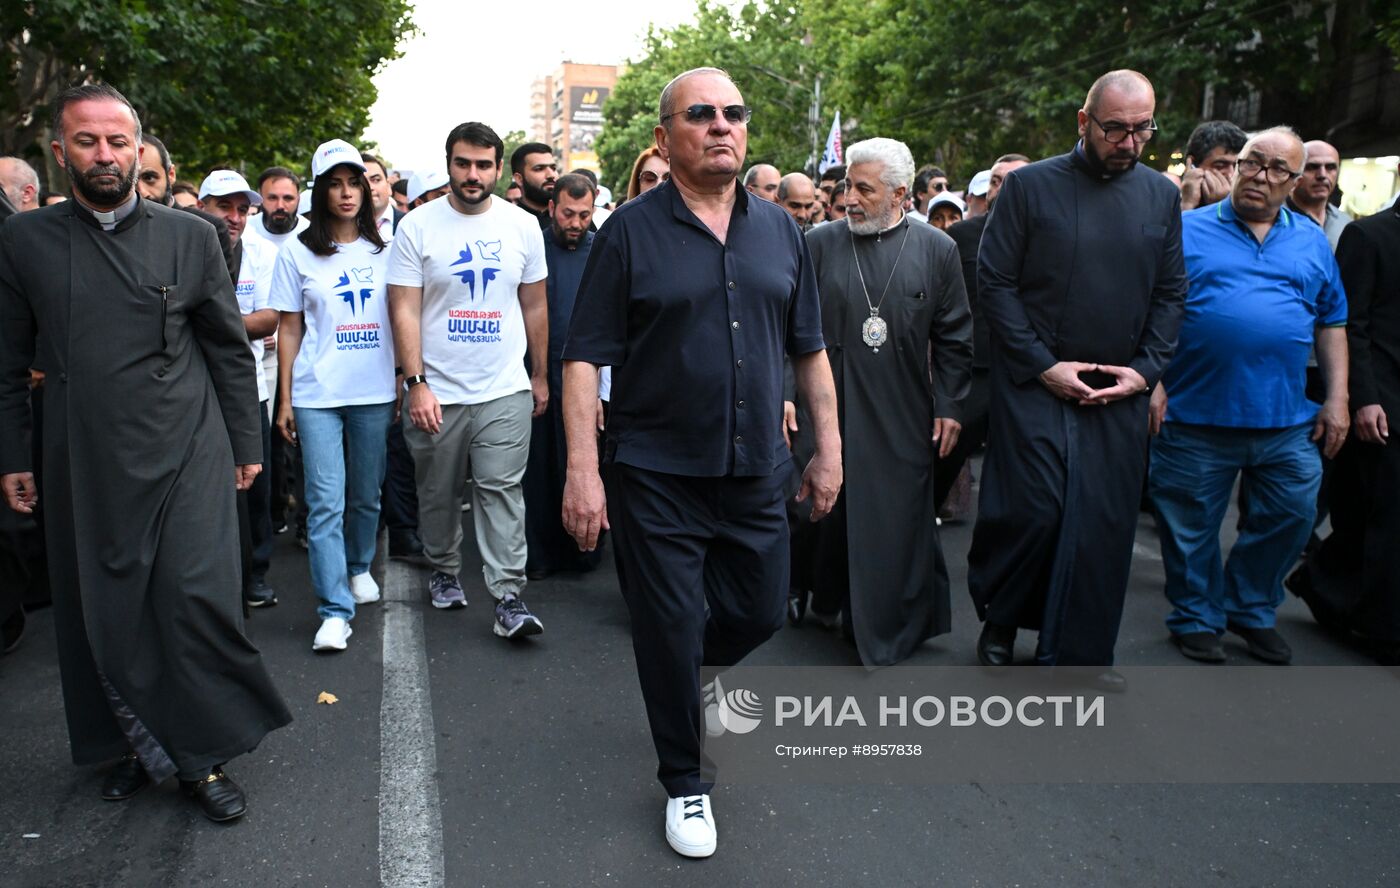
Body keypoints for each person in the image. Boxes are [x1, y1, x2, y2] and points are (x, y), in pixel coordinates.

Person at [560, 67, 842, 859]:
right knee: (670, 624)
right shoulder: (628, 233)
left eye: (734, 114)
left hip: (759, 470)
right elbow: (583, 358)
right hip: (655, 473)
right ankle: (685, 780)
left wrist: (829, 453)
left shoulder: (781, 231)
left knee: (756, 613)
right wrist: (583, 469)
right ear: (664, 137)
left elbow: (810, 350)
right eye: (701, 114)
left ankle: (680, 668)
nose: (722, 126)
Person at [0, 82, 290, 822]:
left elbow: (228, 350)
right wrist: (14, 455)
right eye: (88, 141)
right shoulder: (24, 240)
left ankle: (201, 760)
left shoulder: (192, 236)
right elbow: (4, 365)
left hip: (188, 446)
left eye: (118, 141)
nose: (105, 154)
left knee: (194, 603)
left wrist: (243, 442)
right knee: (104, 610)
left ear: (140, 148)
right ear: (60, 151)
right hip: (82, 456)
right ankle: (130, 747)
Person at [966, 70, 1187, 685]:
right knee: (1034, 510)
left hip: (1121, 385)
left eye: (1143, 129)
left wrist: (1145, 374)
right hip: (1038, 379)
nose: (1130, 141)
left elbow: (1171, 294)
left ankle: (1080, 655)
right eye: (1116, 128)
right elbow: (996, 284)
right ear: (1084, 122)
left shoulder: (1160, 196)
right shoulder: (1031, 188)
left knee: (1102, 522)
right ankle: (1003, 620)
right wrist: (1042, 365)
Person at [1148, 128, 1348, 666]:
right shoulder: (1185, 231)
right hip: (1195, 415)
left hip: (1284, 419)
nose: (1260, 176)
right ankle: (1195, 617)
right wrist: (1154, 381)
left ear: (1295, 180)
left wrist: (1338, 398)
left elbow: (1333, 321)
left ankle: (1249, 608)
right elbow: (1144, 311)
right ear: (1237, 165)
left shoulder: (1309, 240)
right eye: (1251, 162)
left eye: (1276, 169)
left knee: (1293, 514)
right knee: (1189, 528)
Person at [803, 137, 972, 668]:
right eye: (847, 185)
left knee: (893, 518)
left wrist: (950, 403)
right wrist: (788, 396)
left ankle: (881, 626)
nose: (847, 198)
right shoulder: (819, 243)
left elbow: (955, 337)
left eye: (863, 189)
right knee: (828, 514)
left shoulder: (937, 250)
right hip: (828, 405)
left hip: (902, 406)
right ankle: (824, 599)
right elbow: (791, 332)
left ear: (901, 194)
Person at [387, 121, 549, 638]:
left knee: (501, 489)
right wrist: (415, 382)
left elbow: (536, 305)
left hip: (504, 387)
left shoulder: (522, 225)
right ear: (449, 164)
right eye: (463, 163)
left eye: (483, 165)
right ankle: (443, 568)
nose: (472, 174)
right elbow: (404, 308)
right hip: (438, 391)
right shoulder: (417, 227)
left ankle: (508, 596)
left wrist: (540, 374)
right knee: (438, 492)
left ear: (500, 169)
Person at [270, 139, 397, 652]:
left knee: (366, 494)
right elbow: (290, 329)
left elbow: (406, 317)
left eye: (355, 183)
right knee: (325, 503)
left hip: (373, 391)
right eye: (335, 184)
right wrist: (284, 399)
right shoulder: (296, 252)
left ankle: (360, 563)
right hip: (316, 393)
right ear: (319, 191)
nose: (347, 193)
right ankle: (333, 610)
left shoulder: (388, 249)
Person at [1289, 190, 1400, 664]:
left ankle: (1322, 584)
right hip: (1383, 399)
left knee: (1372, 515)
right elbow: (1350, 325)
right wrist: (1364, 399)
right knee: (1386, 515)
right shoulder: (1368, 234)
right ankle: (1383, 629)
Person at [197, 169, 281, 608]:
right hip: (196, 394)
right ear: (201, 207)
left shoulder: (264, 252)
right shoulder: (188, 245)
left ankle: (257, 574)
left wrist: (208, 323)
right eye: (222, 207)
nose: (234, 217)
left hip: (250, 389)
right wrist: (236, 326)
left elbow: (270, 319)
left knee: (255, 489)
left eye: (242, 209)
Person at [937, 153, 1030, 511]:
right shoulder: (959, 237)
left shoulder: (1050, 237)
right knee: (937, 465)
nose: (1001, 188)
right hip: (970, 376)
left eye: (1012, 180)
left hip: (1025, 377)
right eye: (995, 180)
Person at [523, 173, 605, 577]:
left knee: (582, 464)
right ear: (551, 207)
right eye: (568, 214)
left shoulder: (604, 250)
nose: (575, 223)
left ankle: (583, 551)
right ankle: (539, 556)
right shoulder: (531, 247)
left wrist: (604, 390)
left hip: (587, 376)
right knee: (537, 470)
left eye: (584, 215)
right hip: (536, 374)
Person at [1287, 140, 1351, 250]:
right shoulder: (1274, 219)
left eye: (1330, 167)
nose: (1322, 175)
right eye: (1312, 167)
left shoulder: (1345, 222)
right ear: (1295, 172)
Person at [1179, 120, 1247, 211]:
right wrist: (1187, 204)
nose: (1231, 174)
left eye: (1238, 166)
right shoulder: (1166, 202)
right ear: (1192, 165)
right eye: (1220, 166)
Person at [247, 167, 308, 248]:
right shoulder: (246, 231)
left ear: (298, 199)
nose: (280, 206)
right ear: (260, 197)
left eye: (288, 198)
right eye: (272, 198)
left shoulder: (311, 234)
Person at [510, 141, 558, 225]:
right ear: (519, 179)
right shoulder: (507, 223)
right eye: (539, 169)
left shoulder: (572, 222)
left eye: (553, 168)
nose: (551, 175)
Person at [361, 151, 402, 242]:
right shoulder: (340, 228)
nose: (370, 187)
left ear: (388, 186)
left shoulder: (409, 223)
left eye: (376, 180)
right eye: (361, 183)